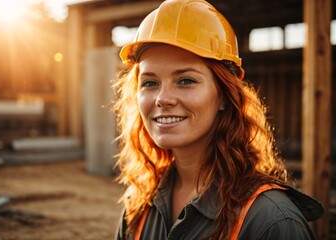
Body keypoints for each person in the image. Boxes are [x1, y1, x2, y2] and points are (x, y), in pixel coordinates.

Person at [113, 0, 324, 239]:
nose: (163, 99)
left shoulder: (270, 221)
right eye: (150, 83)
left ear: (224, 95)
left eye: (186, 80)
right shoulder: (138, 206)